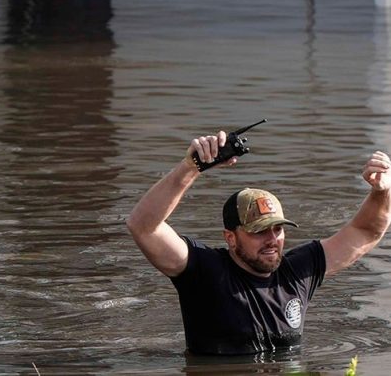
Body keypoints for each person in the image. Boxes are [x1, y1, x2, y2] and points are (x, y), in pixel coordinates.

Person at [126, 130, 391, 355]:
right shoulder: (203, 272)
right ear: (230, 238)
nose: (272, 239)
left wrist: (382, 192)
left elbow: (365, 231)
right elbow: (143, 226)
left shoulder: (298, 272)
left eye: (278, 229)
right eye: (259, 231)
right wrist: (190, 168)